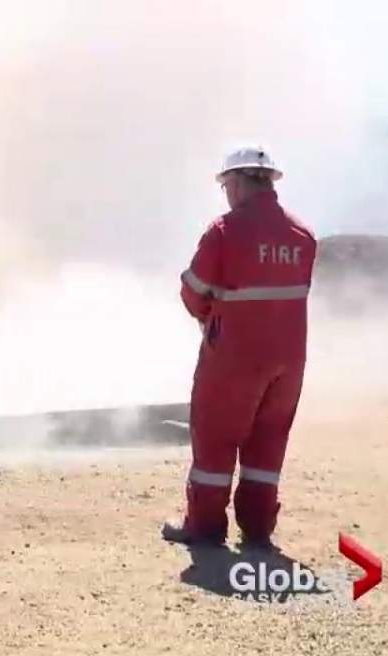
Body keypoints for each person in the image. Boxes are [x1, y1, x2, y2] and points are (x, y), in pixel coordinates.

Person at [163, 145, 316, 547]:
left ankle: (205, 527)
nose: (226, 193)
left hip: (234, 358)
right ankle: (258, 528)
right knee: (267, 443)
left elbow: (194, 290)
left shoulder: (224, 231)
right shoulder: (303, 236)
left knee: (215, 439)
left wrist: (209, 316)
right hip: (290, 361)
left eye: (226, 184)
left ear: (238, 182)